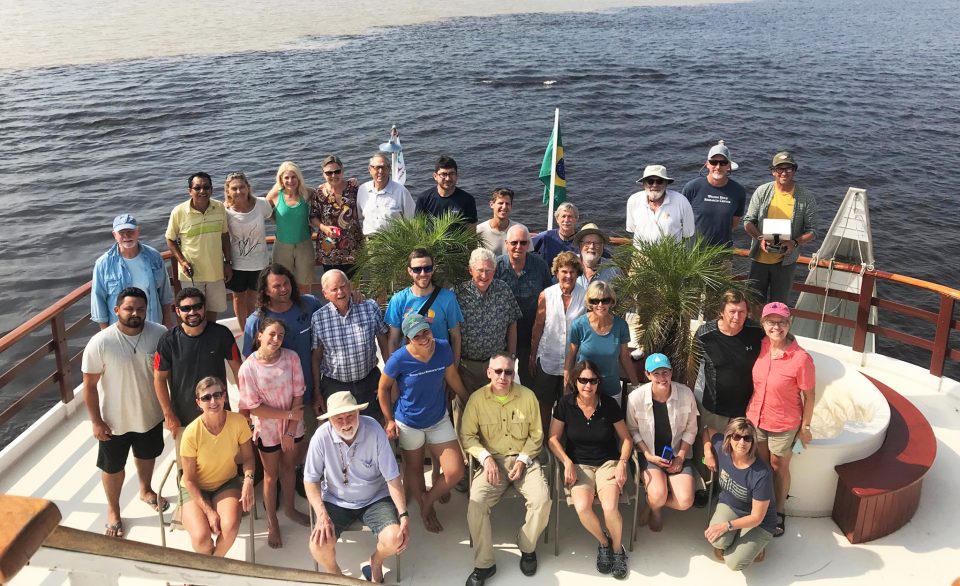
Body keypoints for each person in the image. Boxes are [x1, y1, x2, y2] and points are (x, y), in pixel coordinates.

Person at [82, 287, 169, 538]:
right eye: (129, 308)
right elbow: (89, 386)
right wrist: (96, 422)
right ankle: (113, 510)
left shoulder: (159, 333)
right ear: (116, 310)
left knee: (147, 455)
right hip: (114, 421)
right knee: (112, 468)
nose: (135, 313)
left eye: (140, 309)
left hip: (150, 415)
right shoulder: (100, 342)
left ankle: (146, 490)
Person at [460, 352, 551, 586]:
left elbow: (537, 436)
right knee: (476, 504)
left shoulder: (528, 397)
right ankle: (485, 564)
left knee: (542, 500)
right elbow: (467, 436)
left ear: (513, 373)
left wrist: (522, 460)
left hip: (525, 461)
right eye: (498, 371)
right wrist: (486, 458)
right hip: (494, 462)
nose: (503, 376)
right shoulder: (477, 400)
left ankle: (526, 545)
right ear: (489, 373)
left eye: (508, 372)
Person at [378, 312, 469, 533]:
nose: (423, 337)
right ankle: (427, 510)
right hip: (409, 423)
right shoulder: (398, 359)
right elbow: (383, 389)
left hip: (438, 419)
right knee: (415, 468)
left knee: (455, 471)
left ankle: (427, 500)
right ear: (408, 338)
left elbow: (452, 376)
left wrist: (468, 399)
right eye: (416, 335)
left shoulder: (443, 347)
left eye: (425, 331)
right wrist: (389, 420)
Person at [305, 391, 409, 584]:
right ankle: (336, 575)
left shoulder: (374, 430)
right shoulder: (320, 436)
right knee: (317, 545)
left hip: (375, 498)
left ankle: (376, 562)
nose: (346, 423)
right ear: (330, 420)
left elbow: (392, 476)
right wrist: (321, 515)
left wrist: (403, 515)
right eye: (339, 419)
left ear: (358, 413)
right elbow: (310, 480)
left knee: (396, 538)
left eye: (350, 416)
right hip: (335, 500)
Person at [548, 360, 632, 579]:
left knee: (610, 508)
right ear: (575, 381)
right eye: (583, 380)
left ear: (598, 382)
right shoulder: (565, 404)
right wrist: (566, 461)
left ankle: (617, 550)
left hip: (607, 463)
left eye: (592, 380)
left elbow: (626, 439)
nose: (588, 385)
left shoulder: (608, 405)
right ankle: (604, 542)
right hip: (578, 463)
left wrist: (623, 462)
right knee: (583, 507)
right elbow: (553, 439)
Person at [745, 302, 815, 537]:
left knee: (779, 467)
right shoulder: (762, 346)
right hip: (756, 417)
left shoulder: (800, 358)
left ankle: (779, 511)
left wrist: (805, 427)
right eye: (771, 322)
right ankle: (761, 506)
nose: (777, 327)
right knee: (761, 465)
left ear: (789, 324)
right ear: (763, 324)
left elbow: (809, 394)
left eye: (782, 322)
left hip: (784, 423)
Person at [238, 317, 309, 549]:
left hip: (292, 428)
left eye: (280, 335)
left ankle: (289, 508)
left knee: (289, 468)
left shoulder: (292, 358)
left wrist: (290, 431)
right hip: (267, 431)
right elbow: (253, 406)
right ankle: (272, 522)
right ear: (259, 335)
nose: (276, 339)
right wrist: (288, 416)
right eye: (271, 334)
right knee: (270, 476)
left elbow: (299, 393)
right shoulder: (248, 367)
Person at [692, 289, 764, 507]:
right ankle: (705, 486)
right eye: (732, 311)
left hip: (744, 409)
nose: (737, 317)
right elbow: (693, 366)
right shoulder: (705, 334)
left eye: (742, 312)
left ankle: (730, 491)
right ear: (721, 312)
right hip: (712, 406)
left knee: (737, 453)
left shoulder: (756, 332)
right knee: (707, 451)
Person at [242, 264, 324, 442]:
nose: (284, 289)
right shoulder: (255, 321)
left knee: (308, 443)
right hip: (273, 405)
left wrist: (355, 297)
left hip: (308, 393)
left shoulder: (310, 305)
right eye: (276, 286)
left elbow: (335, 310)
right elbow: (249, 365)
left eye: (286, 283)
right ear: (265, 290)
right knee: (280, 455)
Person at [179, 377, 255, 557]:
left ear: (224, 397)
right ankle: (208, 572)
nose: (213, 401)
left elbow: (249, 458)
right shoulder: (191, 433)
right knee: (201, 538)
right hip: (195, 489)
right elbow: (189, 480)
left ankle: (212, 567)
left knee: (229, 528)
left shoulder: (238, 422)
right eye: (206, 398)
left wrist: (248, 482)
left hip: (226, 483)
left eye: (217, 395)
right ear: (199, 403)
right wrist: (209, 511)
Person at [154, 287, 242, 435]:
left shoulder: (222, 334)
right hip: (183, 419)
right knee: (188, 459)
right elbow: (159, 379)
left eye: (197, 307)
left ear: (204, 308)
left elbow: (239, 370)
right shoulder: (167, 341)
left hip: (219, 413)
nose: (192, 312)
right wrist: (168, 413)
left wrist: (245, 403)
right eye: (186, 308)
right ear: (178, 311)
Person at [625, 353, 698, 532]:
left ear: (671, 373)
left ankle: (651, 506)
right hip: (650, 454)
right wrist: (649, 455)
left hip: (678, 452)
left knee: (685, 501)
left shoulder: (686, 394)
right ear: (647, 375)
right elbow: (632, 430)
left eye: (665, 372)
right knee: (658, 494)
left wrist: (680, 457)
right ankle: (656, 509)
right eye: (656, 373)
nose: (662, 378)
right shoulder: (636, 398)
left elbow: (691, 429)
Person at [310, 269, 389, 422]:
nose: (340, 292)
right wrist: (317, 391)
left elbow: (384, 344)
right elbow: (316, 358)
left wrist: (390, 379)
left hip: (369, 382)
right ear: (325, 294)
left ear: (350, 286)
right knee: (342, 433)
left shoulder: (369, 307)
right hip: (335, 387)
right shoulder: (318, 318)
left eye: (343, 286)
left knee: (374, 429)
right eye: (334, 289)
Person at [742, 151, 818, 306]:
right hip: (760, 260)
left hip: (786, 263)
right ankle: (757, 330)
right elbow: (748, 221)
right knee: (753, 303)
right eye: (779, 169)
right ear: (773, 171)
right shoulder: (762, 191)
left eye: (788, 169)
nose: (784, 173)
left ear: (794, 171)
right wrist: (760, 238)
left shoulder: (806, 197)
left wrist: (794, 243)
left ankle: (774, 331)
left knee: (779, 306)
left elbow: (812, 231)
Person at [703, 417, 777, 570]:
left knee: (734, 563)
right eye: (737, 437)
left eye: (747, 438)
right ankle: (739, 533)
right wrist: (708, 453)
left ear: (752, 442)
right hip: (731, 505)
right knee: (718, 541)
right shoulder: (722, 449)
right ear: (729, 438)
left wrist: (727, 526)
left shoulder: (761, 473)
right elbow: (706, 431)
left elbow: (757, 517)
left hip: (760, 522)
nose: (742, 443)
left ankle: (758, 546)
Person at [529, 251, 586, 433]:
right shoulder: (546, 295)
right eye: (564, 271)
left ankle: (564, 443)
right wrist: (532, 356)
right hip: (548, 358)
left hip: (575, 362)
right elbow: (538, 327)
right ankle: (544, 441)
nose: (568, 276)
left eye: (572, 271)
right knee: (544, 403)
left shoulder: (585, 297)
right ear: (556, 272)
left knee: (570, 405)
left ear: (578, 273)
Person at [454, 247, 521, 395]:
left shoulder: (503, 290)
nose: (484, 275)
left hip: (497, 367)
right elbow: (453, 333)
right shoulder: (458, 294)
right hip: (467, 368)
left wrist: (511, 357)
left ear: (495, 270)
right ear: (471, 270)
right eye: (480, 270)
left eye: (489, 270)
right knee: (465, 414)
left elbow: (512, 324)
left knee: (496, 413)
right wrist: (455, 367)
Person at [165, 172, 232, 322]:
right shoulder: (179, 212)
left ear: (212, 190)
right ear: (190, 191)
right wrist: (182, 262)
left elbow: (225, 236)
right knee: (193, 314)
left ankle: (210, 340)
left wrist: (228, 263)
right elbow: (170, 239)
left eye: (206, 187)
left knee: (213, 311)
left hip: (216, 272)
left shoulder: (219, 207)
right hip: (191, 274)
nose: (202, 191)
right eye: (197, 188)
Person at [91, 214, 173, 329]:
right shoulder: (102, 264)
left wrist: (167, 320)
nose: (127, 235)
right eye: (121, 232)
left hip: (153, 325)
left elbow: (165, 293)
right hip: (120, 330)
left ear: (138, 231)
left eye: (130, 231)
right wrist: (105, 334)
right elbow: (98, 301)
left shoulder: (154, 256)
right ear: (114, 235)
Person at [495, 224, 553, 386]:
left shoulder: (539, 265)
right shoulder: (496, 267)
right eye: (514, 243)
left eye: (523, 243)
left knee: (530, 385)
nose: (518, 247)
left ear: (529, 244)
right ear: (506, 244)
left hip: (531, 338)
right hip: (502, 339)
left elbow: (550, 296)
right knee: (501, 383)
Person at [564, 280, 638, 404]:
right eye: (595, 301)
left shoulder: (621, 326)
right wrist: (566, 388)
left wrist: (636, 386)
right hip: (584, 389)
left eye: (605, 300)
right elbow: (570, 357)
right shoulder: (579, 325)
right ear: (589, 302)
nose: (600, 304)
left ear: (611, 301)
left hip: (611, 389)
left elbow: (624, 358)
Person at [384, 248, 464, 361]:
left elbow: (456, 337)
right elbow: (393, 340)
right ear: (409, 271)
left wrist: (454, 369)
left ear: (433, 269)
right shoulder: (398, 300)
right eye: (417, 269)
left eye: (427, 268)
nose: (423, 273)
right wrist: (395, 373)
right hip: (410, 368)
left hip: (439, 366)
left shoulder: (448, 298)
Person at [223, 171, 272, 328]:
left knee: (254, 297)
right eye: (234, 188)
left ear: (248, 187)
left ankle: (252, 327)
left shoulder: (261, 204)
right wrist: (226, 262)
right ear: (228, 191)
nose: (239, 191)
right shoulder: (224, 211)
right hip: (236, 263)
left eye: (242, 187)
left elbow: (275, 215)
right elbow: (221, 237)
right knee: (238, 297)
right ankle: (244, 329)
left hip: (259, 261)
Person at [681, 140, 747, 248]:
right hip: (693, 252)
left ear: (729, 166)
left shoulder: (739, 191)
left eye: (723, 163)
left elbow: (734, 224)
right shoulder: (692, 187)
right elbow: (680, 219)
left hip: (722, 251)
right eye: (713, 162)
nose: (718, 166)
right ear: (707, 164)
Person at [309, 154, 363, 276]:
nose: (333, 176)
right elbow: (313, 216)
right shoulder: (318, 193)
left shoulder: (353, 188)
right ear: (323, 174)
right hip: (328, 247)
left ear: (342, 171)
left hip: (353, 246)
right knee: (332, 284)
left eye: (337, 171)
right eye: (329, 173)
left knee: (354, 286)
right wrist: (323, 228)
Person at [267, 161, 314, 294]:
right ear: (281, 179)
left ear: (299, 178)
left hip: (304, 245)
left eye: (293, 177)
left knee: (305, 285)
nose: (290, 181)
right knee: (281, 285)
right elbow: (261, 210)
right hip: (282, 246)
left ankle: (305, 312)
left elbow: (325, 195)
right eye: (286, 177)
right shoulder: (275, 195)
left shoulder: (307, 193)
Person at [625, 165, 695, 245]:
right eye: (650, 181)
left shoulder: (682, 202)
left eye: (660, 181)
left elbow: (688, 233)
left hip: (671, 256)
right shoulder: (633, 200)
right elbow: (632, 229)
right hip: (640, 254)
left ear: (666, 184)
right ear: (643, 184)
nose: (655, 185)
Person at [356, 152, 415, 236]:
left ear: (389, 169)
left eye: (383, 167)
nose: (380, 171)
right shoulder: (362, 190)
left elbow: (412, 219)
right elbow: (359, 217)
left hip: (393, 242)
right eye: (377, 168)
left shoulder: (401, 192)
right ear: (370, 169)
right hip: (369, 243)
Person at [416, 155, 478, 230]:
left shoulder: (467, 200)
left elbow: (471, 232)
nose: (448, 178)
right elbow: (418, 229)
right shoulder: (424, 199)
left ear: (457, 175)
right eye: (443, 174)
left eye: (452, 173)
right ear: (435, 176)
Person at [531, 201, 579, 268]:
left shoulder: (582, 241)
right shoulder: (546, 237)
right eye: (563, 216)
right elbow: (524, 247)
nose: (566, 220)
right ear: (557, 219)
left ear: (576, 219)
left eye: (570, 216)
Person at [573, 223, 620, 290]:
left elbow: (622, 298)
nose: (592, 246)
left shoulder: (613, 270)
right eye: (587, 243)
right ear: (580, 245)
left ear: (602, 246)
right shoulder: (569, 264)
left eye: (597, 243)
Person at [476, 188, 517, 255]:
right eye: (500, 203)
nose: (504, 207)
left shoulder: (519, 230)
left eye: (507, 204)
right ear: (492, 204)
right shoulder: (479, 231)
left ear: (511, 206)